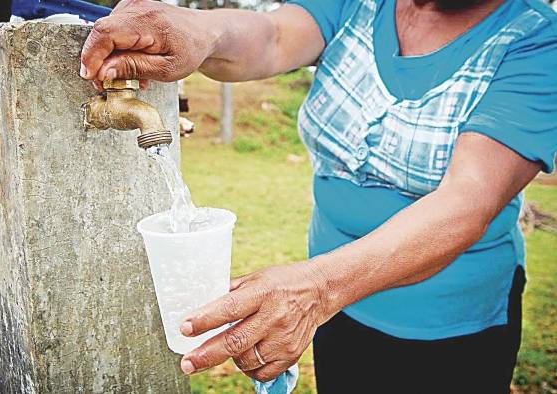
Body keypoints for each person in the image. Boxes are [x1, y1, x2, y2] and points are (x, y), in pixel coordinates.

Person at [80, 0, 557, 392]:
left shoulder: (536, 39)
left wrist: (318, 289)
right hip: (337, 308)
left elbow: (468, 201)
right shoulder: (359, 4)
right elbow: (271, 37)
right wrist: (200, 29)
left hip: (449, 323)